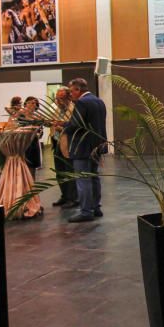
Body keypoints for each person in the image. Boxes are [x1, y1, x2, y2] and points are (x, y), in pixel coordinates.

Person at [64, 78, 108, 223]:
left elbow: (75, 124)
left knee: (83, 179)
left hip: (82, 146)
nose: (71, 94)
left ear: (78, 90)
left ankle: (86, 211)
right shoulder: (98, 101)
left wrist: (64, 127)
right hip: (97, 145)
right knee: (94, 176)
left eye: (71, 91)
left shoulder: (82, 102)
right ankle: (96, 207)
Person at [50, 87, 78, 208]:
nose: (58, 101)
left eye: (61, 98)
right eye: (57, 98)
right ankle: (64, 196)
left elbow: (76, 127)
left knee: (69, 171)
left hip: (68, 144)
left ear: (68, 97)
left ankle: (73, 198)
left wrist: (61, 128)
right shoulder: (57, 109)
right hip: (56, 142)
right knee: (60, 172)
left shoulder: (74, 109)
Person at [16, 96, 44, 177]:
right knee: (22, 167)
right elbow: (14, 128)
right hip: (22, 144)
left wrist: (39, 134)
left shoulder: (38, 117)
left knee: (32, 167)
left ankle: (31, 186)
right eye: (31, 103)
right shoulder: (19, 115)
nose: (34, 105)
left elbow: (41, 133)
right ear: (26, 104)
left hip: (33, 143)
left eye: (35, 103)